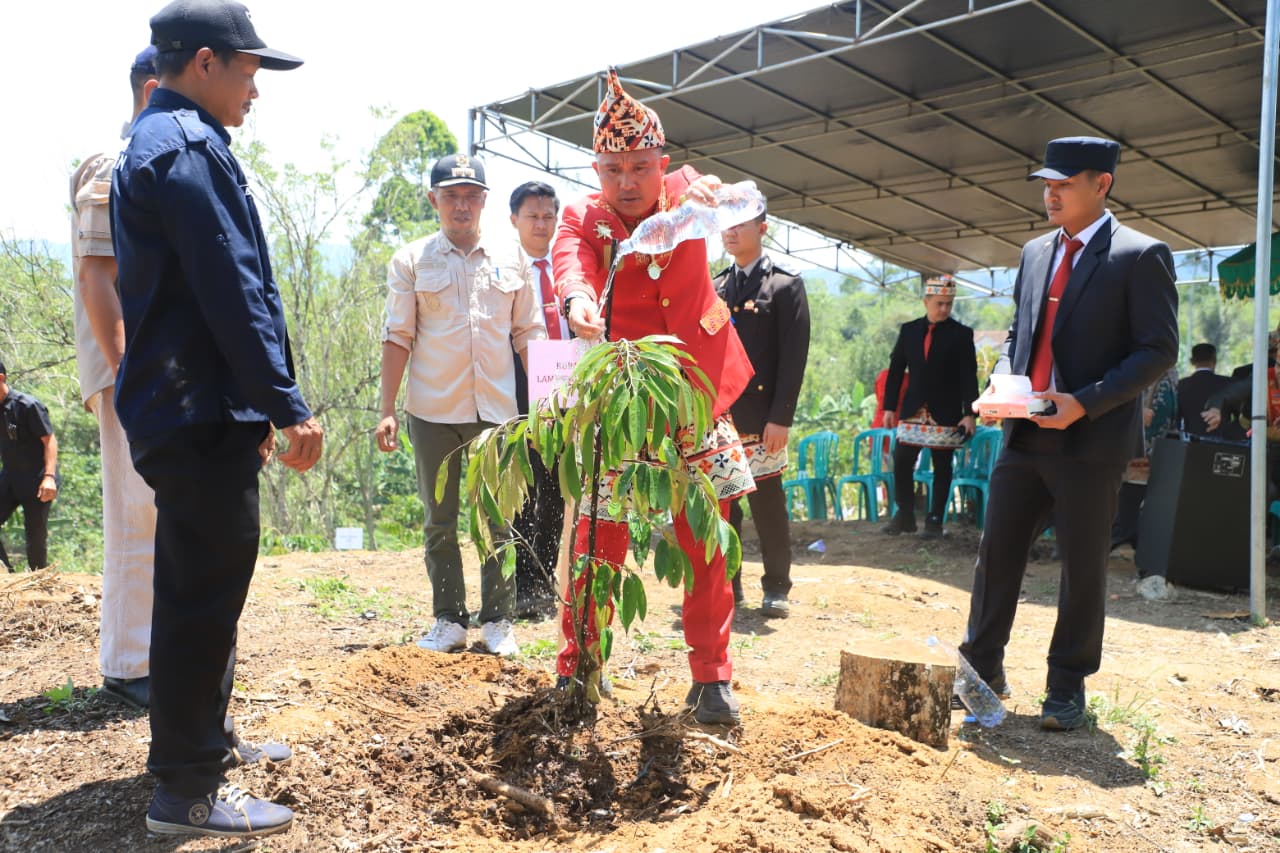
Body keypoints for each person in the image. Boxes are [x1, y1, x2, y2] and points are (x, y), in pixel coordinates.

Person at [111, 0, 324, 838]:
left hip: (194, 404)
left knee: (205, 584)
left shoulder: (159, 141)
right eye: (249, 70)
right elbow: (232, 292)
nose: (256, 89)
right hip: (197, 408)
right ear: (205, 62)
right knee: (202, 593)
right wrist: (285, 402)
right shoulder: (187, 150)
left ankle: (208, 742)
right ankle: (187, 790)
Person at [554, 70, 755, 725]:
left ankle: (712, 677)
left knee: (707, 537)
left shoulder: (686, 192)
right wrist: (580, 302)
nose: (628, 183)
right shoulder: (584, 217)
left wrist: (710, 194)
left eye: (640, 166)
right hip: (622, 405)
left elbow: (720, 194)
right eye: (613, 170)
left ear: (661, 163)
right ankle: (578, 670)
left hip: (696, 394)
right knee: (597, 538)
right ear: (596, 169)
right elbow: (571, 266)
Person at [959, 136, 1178, 731]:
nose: (1050, 193)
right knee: (995, 555)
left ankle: (1066, 687)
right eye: (1046, 184)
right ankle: (981, 672)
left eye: (1063, 183)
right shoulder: (1033, 253)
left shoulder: (1140, 254)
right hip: (1025, 436)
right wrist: (1004, 379)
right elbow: (1018, 334)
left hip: (1092, 440)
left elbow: (1158, 350)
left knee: (1082, 567)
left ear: (1101, 185)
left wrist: (1084, 402)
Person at [376, 154, 544, 657]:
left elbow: (528, 332)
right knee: (440, 519)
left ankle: (498, 622)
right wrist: (387, 407)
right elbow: (397, 335)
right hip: (432, 409)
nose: (462, 205)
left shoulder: (512, 259)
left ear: (485, 202)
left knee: (499, 518)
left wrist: (546, 402)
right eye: (451, 196)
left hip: (496, 409)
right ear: (434, 201)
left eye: (471, 196)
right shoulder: (411, 260)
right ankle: (448, 620)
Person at [69, 46, 160, 711]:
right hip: (128, 361)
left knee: (153, 507)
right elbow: (96, 272)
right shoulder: (113, 160)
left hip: (152, 364)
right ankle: (129, 661)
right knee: (134, 510)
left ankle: (148, 651)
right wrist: (128, 368)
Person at [713, 204, 810, 617]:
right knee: (726, 507)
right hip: (722, 418)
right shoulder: (716, 286)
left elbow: (794, 356)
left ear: (763, 228)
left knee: (768, 506)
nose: (730, 232)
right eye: (725, 225)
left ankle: (777, 587)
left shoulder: (785, 286)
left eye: (740, 224)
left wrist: (781, 418)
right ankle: (729, 587)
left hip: (764, 417)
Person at [880, 275, 978, 539]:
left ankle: (935, 520)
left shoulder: (961, 334)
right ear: (926, 301)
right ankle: (905, 514)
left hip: (946, 411)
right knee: (901, 460)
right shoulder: (909, 330)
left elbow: (969, 375)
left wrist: (970, 413)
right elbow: (896, 370)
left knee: (942, 466)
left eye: (949, 303)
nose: (944, 308)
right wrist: (889, 407)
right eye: (939, 303)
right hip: (913, 407)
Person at [509, 180, 565, 619]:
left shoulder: (568, 270)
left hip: (566, 391)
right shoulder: (505, 271)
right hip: (518, 392)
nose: (541, 224)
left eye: (548, 215)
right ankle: (521, 585)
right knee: (523, 491)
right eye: (532, 216)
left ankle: (545, 580)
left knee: (556, 490)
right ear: (514, 221)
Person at [1111, 367, 1179, 601]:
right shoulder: (1144, 374)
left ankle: (1140, 551)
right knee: (1130, 499)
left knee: (1140, 503)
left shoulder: (1166, 376)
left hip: (1154, 449)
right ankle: (1129, 545)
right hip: (1138, 448)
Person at [0, 360, 58, 572]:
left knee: (35, 535)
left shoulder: (27, 405)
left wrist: (49, 477)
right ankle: (6, 572)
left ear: (1, 378)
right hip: (10, 476)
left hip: (38, 478)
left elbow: (50, 440)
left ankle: (37, 579)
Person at [1178, 343, 1243, 440]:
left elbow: (1176, 419)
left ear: (1192, 361)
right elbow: (1241, 418)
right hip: (1223, 445)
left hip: (1191, 445)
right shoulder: (1229, 384)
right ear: (1215, 360)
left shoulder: (1181, 385)